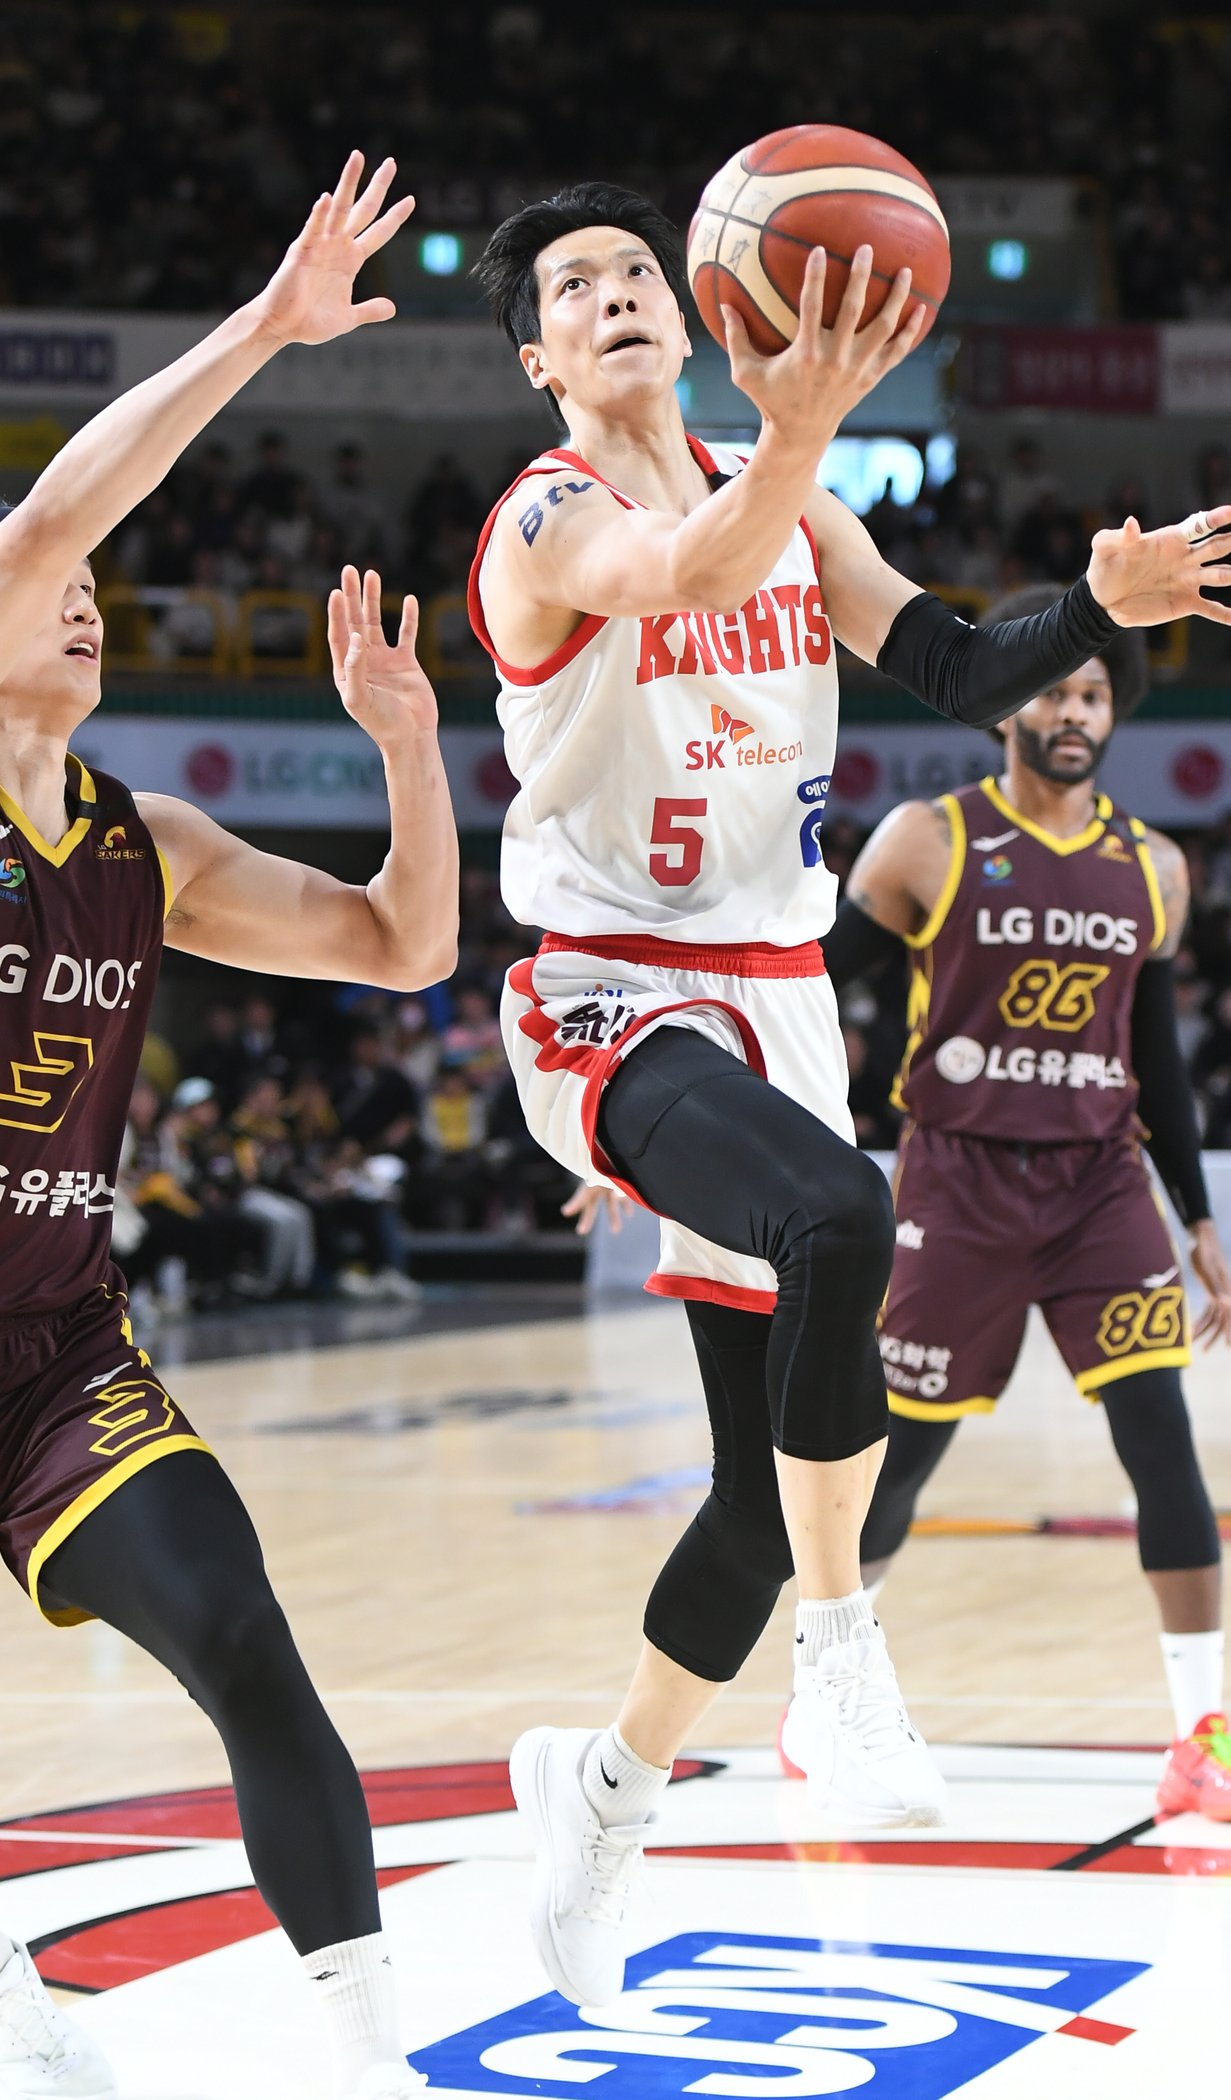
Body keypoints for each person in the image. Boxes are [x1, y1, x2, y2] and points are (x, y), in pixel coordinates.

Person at [469, 180, 1231, 2006]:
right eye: (574, 289)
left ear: (693, 310)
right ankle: (845, 1661)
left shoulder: (792, 490)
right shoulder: (547, 512)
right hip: (607, 995)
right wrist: (809, 430)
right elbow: (678, 571)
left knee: (759, 1500)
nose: (613, 296)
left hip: (776, 1006)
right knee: (844, 1212)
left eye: (635, 274)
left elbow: (962, 663)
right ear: (538, 360)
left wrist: (1091, 601)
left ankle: (599, 1803)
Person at [0, 154, 456, 2100]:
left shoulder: (142, 845)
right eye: (57, 588)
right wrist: (264, 334)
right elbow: (47, 508)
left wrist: (414, 756)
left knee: (243, 1629)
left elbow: (399, 940)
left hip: (52, 1358)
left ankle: (370, 2054)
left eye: (107, 597)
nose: (85, 603)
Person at [816, 582, 1231, 1828]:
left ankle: (1199, 1735)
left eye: (1090, 694)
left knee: (1159, 1439)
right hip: (956, 1183)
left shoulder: (1153, 867)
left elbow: (1162, 1058)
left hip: (1096, 1193)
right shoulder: (927, 837)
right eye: (1052, 690)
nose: (1073, 711)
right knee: (900, 1458)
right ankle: (829, 1695)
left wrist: (1193, 1218)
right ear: (1002, 710)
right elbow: (807, 986)